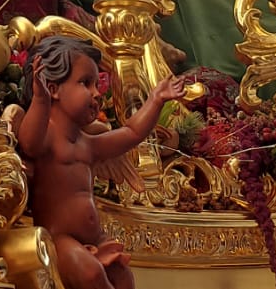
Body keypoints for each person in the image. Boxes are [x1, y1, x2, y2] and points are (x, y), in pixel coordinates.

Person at [14, 36, 185, 289]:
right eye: (85, 83)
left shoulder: (87, 143)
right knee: (91, 275)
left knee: (123, 277)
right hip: (59, 239)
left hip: (96, 237)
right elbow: (28, 143)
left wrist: (156, 100)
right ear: (53, 88)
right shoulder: (45, 137)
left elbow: (132, 134)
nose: (96, 93)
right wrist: (40, 100)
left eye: (96, 84)